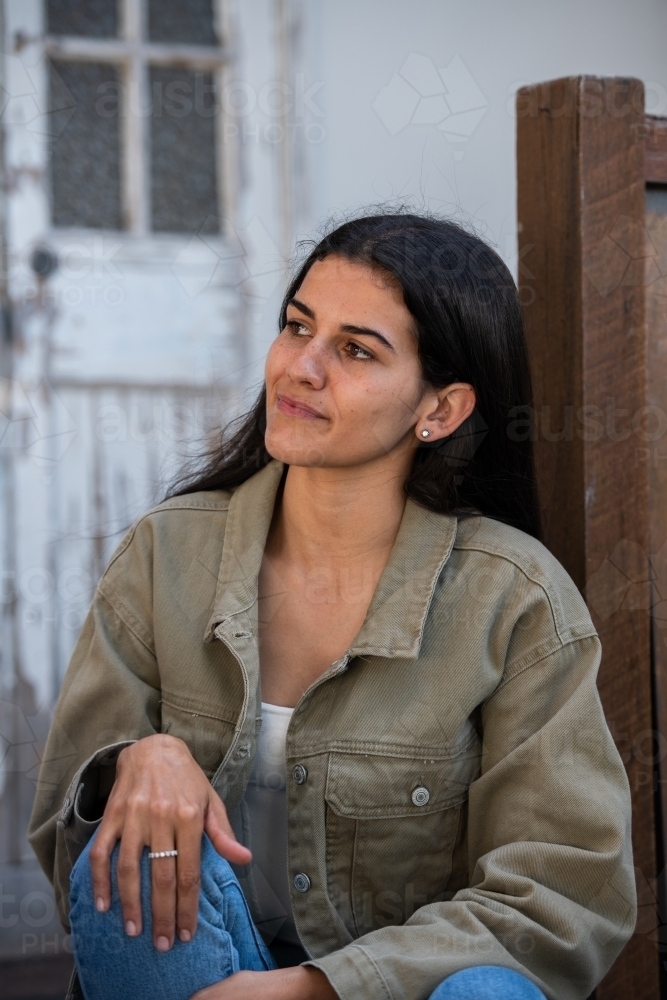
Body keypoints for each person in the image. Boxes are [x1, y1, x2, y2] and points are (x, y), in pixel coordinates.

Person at [29, 213, 635, 1000]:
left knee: (487, 993)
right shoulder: (165, 553)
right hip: (200, 970)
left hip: (405, 988)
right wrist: (136, 761)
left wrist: (317, 989)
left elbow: (561, 896)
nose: (300, 367)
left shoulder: (513, 597)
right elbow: (62, 843)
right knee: (134, 863)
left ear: (441, 410)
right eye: (296, 327)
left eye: (355, 350)